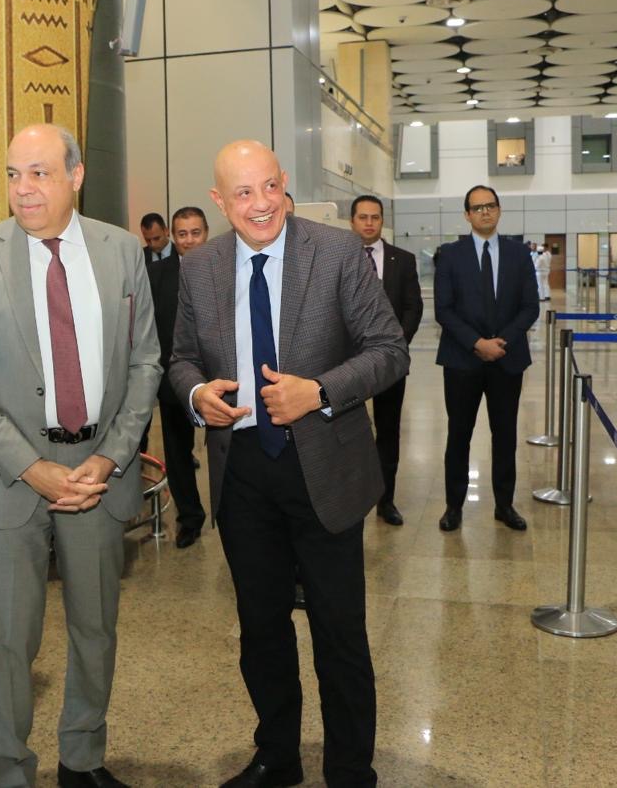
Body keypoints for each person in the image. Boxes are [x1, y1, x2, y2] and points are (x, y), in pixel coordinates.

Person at [169, 140, 408, 787]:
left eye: (270, 186)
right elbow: (181, 357)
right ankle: (278, 755)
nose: (261, 203)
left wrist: (320, 392)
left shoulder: (336, 253)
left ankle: (350, 769)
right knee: (261, 628)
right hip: (242, 472)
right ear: (220, 201)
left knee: (339, 631)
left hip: (325, 468)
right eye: (243, 192)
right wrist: (197, 393)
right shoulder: (201, 267)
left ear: (285, 185)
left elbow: (389, 349)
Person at [0, 124, 159, 788]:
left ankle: (82, 760)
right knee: (5, 643)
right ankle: (9, 773)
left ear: (76, 175)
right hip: (7, 478)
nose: (23, 188)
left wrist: (111, 457)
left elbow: (145, 362)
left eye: (39, 172)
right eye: (13, 174)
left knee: (96, 630)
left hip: (96, 475)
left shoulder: (122, 251)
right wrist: (32, 468)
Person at [434, 185, 539, 533]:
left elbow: (530, 306)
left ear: (499, 210)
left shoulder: (519, 254)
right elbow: (444, 310)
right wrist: (477, 343)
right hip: (461, 360)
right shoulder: (450, 255)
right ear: (467, 215)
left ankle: (504, 505)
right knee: (459, 434)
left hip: (507, 360)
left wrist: (501, 342)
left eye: (490, 205)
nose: (485, 212)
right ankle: (453, 506)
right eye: (477, 208)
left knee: (505, 434)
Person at [349, 195, 422, 526]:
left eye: (375, 217)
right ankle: (349, 496)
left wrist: (395, 347)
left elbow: (413, 307)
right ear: (352, 221)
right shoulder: (337, 258)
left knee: (388, 430)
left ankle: (385, 499)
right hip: (346, 364)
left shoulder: (403, 260)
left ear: (382, 221)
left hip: (389, 362)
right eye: (363, 217)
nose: (369, 223)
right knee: (346, 431)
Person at [147, 206, 209, 548]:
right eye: (182, 234)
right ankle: (189, 518)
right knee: (178, 453)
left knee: (230, 451)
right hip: (173, 379)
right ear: (173, 236)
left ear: (206, 233)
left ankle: (236, 513)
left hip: (221, 378)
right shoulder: (157, 274)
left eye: (195, 233)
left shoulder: (226, 268)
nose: (189, 240)